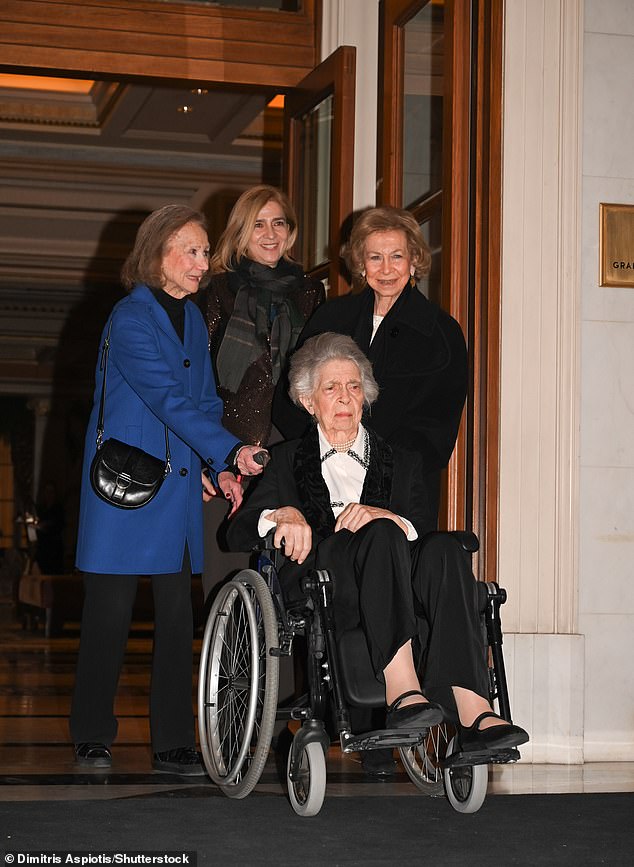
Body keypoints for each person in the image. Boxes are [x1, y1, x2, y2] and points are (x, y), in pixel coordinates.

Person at [228, 333, 528, 765]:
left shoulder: (401, 460)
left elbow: (421, 531)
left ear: (365, 397)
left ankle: (474, 709)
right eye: (331, 388)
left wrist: (383, 515)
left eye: (353, 387)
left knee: (444, 548)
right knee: (382, 535)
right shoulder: (287, 459)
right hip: (329, 588)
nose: (344, 397)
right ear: (309, 402)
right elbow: (237, 532)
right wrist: (282, 515)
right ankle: (402, 688)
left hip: (399, 584)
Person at [70, 204, 266, 775]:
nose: (201, 262)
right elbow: (165, 398)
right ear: (156, 253)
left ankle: (174, 739)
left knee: (178, 620)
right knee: (109, 616)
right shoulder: (130, 318)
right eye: (190, 249)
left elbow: (204, 404)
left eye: (205, 251)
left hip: (176, 492)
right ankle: (92, 732)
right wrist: (227, 450)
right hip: (126, 491)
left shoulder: (189, 318)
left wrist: (219, 467)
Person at [273, 205, 467, 523]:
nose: (386, 268)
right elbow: (293, 396)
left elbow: (435, 426)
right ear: (361, 263)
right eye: (375, 257)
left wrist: (375, 468)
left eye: (397, 256)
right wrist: (323, 455)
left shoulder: (440, 332)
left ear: (414, 260)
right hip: (321, 481)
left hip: (397, 494)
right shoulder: (330, 317)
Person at [196, 185, 324, 595]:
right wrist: (204, 457)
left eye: (278, 223)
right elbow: (198, 380)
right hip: (226, 449)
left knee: (288, 576)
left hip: (292, 445)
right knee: (226, 578)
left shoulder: (309, 292)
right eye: (258, 225)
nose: (270, 234)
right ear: (240, 232)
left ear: (290, 231)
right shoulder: (217, 291)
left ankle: (280, 662)